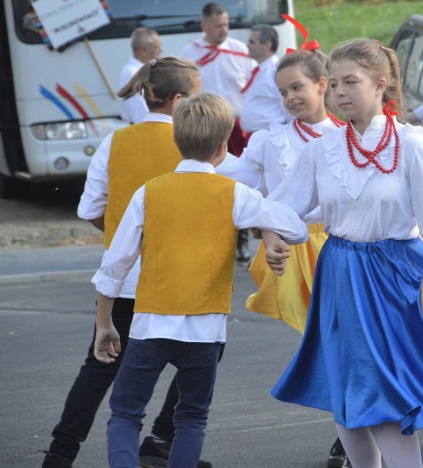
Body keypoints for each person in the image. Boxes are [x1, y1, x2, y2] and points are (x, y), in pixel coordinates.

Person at [262, 38, 423, 468]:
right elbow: (285, 207)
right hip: (339, 273)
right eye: (336, 84)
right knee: (346, 392)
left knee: (382, 394)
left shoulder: (414, 146)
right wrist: (274, 237)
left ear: (380, 85)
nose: (340, 92)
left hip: (394, 275)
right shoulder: (322, 148)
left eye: (352, 81)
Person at [91, 92, 308, 468]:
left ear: (177, 141)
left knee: (126, 413)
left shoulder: (149, 192)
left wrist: (104, 322)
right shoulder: (235, 194)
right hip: (205, 329)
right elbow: (297, 229)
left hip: (150, 323)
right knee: (191, 418)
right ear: (223, 148)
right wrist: (264, 229)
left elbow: (115, 264)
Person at [43, 57, 211, 468]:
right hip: (183, 280)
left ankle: (60, 455)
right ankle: (163, 438)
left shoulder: (115, 142)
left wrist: (125, 239)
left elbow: (90, 208)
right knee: (203, 358)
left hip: (128, 281)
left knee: (99, 368)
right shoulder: (197, 144)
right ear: (180, 99)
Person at [221, 47, 350, 468]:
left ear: (321, 85)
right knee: (326, 343)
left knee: (342, 341)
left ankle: (348, 429)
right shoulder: (268, 141)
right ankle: (349, 428)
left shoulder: (347, 137)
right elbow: (236, 182)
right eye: (282, 91)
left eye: (297, 87)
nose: (290, 97)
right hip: (289, 250)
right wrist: (197, 160)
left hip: (337, 247)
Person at [179, 1, 258, 261]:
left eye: (226, 24)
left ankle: (241, 240)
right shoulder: (190, 52)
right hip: (206, 125)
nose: (223, 30)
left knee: (240, 180)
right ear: (204, 25)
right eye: (217, 26)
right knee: (210, 180)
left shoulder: (239, 50)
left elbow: (252, 84)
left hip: (236, 127)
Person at [239, 24, 293, 133]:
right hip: (259, 135)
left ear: (267, 45)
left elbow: (287, 105)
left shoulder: (276, 71)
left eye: (252, 42)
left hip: (271, 134)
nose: (247, 46)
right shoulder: (259, 70)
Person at [117, 27, 162, 124]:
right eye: (157, 47)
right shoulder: (132, 74)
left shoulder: (142, 71)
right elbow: (139, 114)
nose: (161, 50)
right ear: (144, 50)